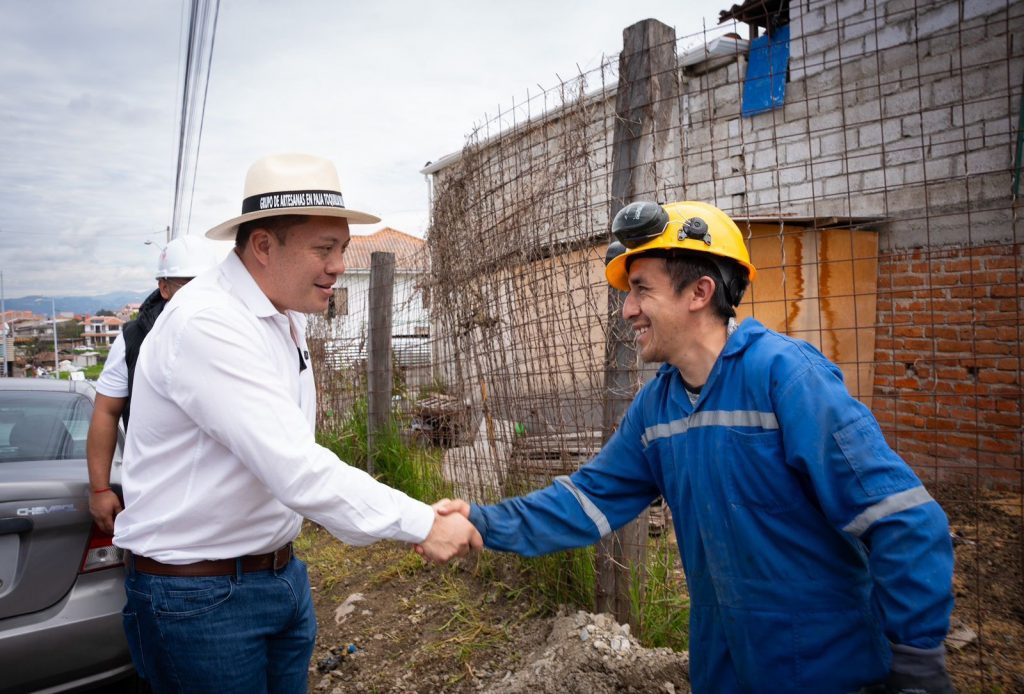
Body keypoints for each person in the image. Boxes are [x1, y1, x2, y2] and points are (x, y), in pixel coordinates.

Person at [436, 200, 955, 693]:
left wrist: (916, 663)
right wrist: (481, 523)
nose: (627, 310)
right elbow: (587, 499)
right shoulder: (657, 408)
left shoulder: (785, 378)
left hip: (825, 669)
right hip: (723, 664)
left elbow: (901, 517)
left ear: (699, 292)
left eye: (641, 290)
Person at [113, 153, 482, 692]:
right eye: (323, 249)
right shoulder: (208, 323)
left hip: (275, 576)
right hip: (201, 598)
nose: (338, 266)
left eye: (342, 249)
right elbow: (296, 467)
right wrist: (422, 522)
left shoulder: (280, 312)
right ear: (264, 246)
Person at [87, 235, 219, 533]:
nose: (200, 295)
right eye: (187, 285)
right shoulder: (133, 339)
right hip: (155, 505)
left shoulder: (231, 332)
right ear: (164, 288)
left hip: (220, 507)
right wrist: (99, 488)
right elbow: (106, 411)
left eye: (208, 284)